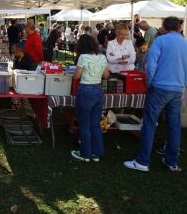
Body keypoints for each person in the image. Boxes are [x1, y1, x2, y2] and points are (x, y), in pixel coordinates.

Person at [124, 17, 187, 172]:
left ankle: (143, 161)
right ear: (178, 28)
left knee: (149, 123)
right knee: (174, 125)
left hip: (159, 87)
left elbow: (150, 65)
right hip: (178, 89)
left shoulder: (160, 41)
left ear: (164, 28)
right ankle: (172, 161)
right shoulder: (185, 43)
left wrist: (150, 82)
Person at [71, 34, 109, 162]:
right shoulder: (102, 57)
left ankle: (85, 153)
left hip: (86, 91)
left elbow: (76, 76)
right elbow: (106, 75)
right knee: (95, 124)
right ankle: (96, 152)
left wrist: (73, 74)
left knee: (84, 124)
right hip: (98, 91)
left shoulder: (83, 57)